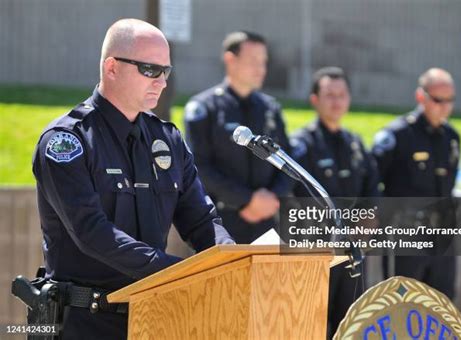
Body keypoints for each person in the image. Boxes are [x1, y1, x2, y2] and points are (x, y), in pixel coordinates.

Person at [32, 18, 233, 339]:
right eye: (150, 70)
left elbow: (201, 220)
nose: (162, 82)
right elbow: (91, 232)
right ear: (112, 67)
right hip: (83, 322)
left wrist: (230, 257)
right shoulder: (67, 141)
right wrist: (175, 272)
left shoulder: (167, 138)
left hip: (153, 317)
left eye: (166, 71)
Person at [291, 67, 380, 338]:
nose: (336, 101)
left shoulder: (355, 145)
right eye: (329, 95)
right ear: (315, 100)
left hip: (352, 256)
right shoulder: (301, 145)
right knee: (312, 326)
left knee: (350, 325)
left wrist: (367, 224)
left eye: (341, 95)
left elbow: (372, 193)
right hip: (315, 255)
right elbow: (294, 197)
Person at [184, 31, 291, 244]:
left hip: (266, 223)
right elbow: (198, 167)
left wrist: (271, 198)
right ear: (230, 60)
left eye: (264, 62)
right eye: (253, 61)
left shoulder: (270, 108)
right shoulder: (205, 108)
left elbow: (288, 160)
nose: (261, 69)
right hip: (219, 226)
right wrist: (247, 200)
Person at [372, 68, 460, 299]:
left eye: (450, 100)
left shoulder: (452, 138)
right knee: (401, 304)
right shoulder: (398, 135)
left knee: (442, 307)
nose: (446, 107)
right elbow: (372, 181)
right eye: (439, 100)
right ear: (421, 96)